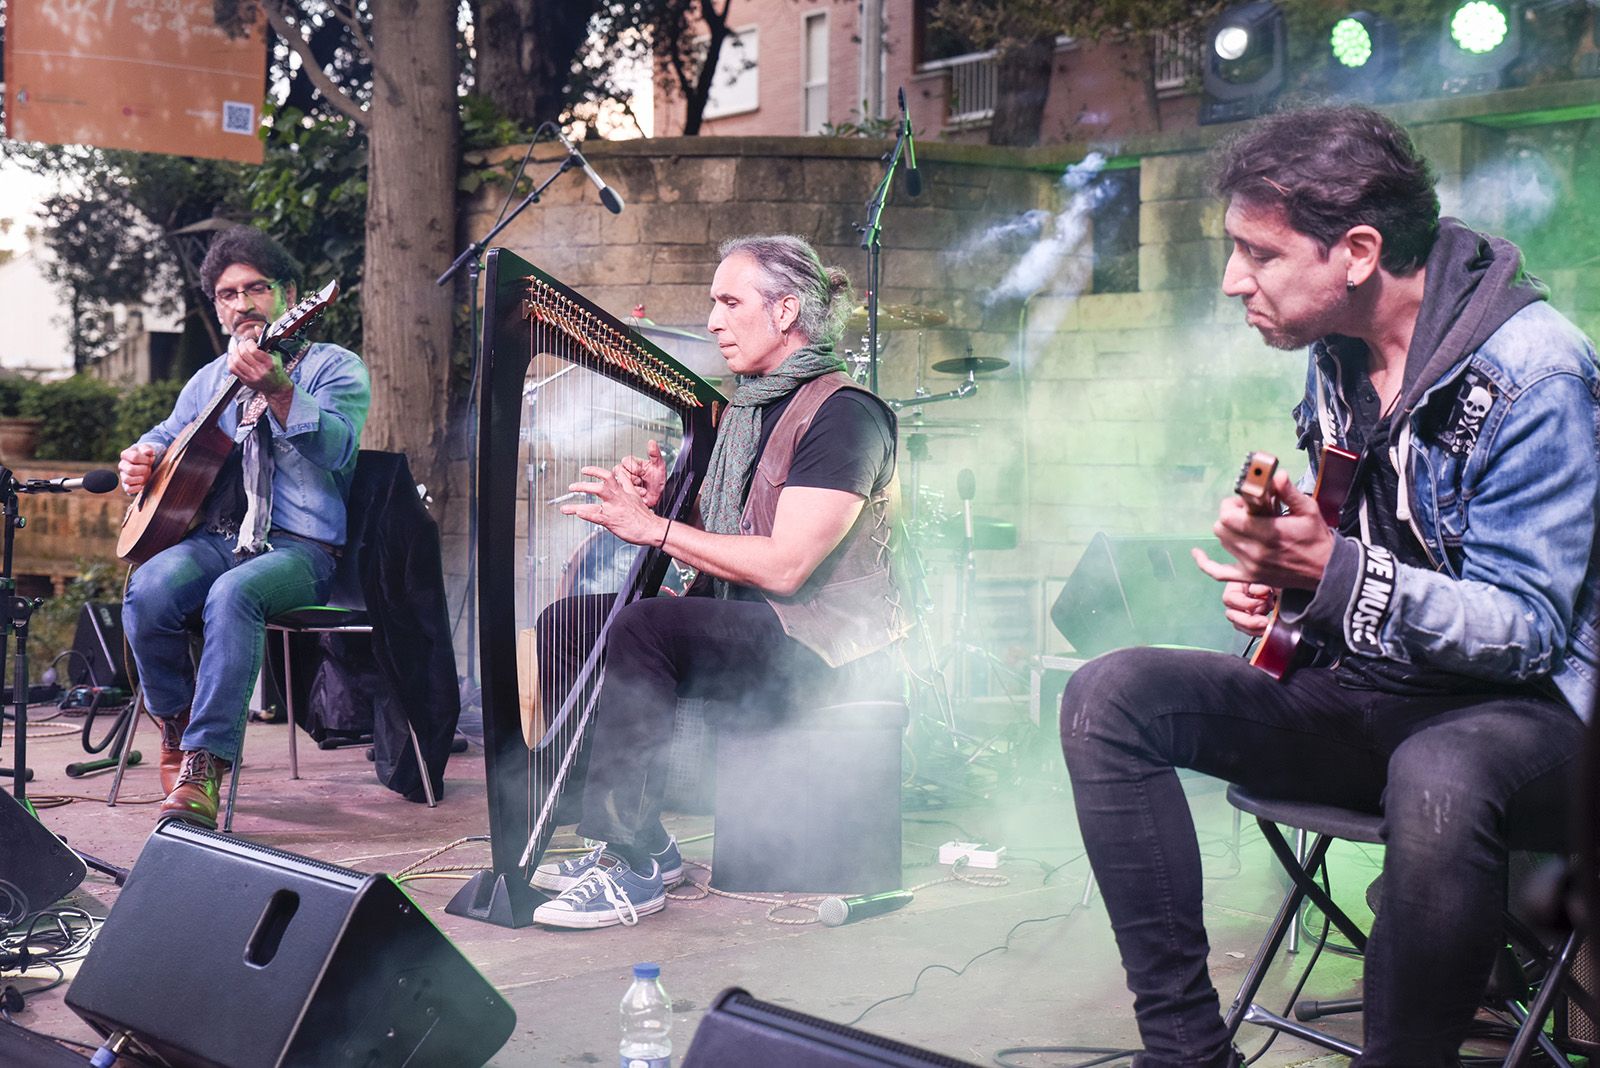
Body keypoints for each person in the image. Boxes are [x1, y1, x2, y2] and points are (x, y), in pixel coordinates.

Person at [1060, 104, 1598, 1067]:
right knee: (1108, 694)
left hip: (1532, 727)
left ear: (1356, 250)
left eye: (1258, 254)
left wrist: (1332, 572)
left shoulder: (1535, 371)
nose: (1233, 282)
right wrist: (1290, 595)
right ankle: (1186, 1053)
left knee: (1442, 773)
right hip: (1380, 700)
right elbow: (1367, 546)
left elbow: (1528, 630)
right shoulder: (1337, 356)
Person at [527, 233, 905, 930]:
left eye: (729, 302)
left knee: (645, 625)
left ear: (787, 310)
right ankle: (641, 842)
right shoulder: (745, 410)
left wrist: (656, 531)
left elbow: (787, 563)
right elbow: (742, 522)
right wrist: (669, 498)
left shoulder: (844, 415)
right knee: (568, 623)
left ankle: (630, 867)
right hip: (748, 620)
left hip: (824, 643)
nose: (712, 321)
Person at [119, 225, 370, 829]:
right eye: (228, 294)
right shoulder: (208, 377)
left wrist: (279, 391)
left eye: (255, 288)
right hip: (220, 539)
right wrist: (140, 456)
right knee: (148, 588)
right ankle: (176, 729)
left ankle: (205, 763)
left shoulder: (336, 368)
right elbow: (167, 434)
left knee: (235, 594)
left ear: (288, 293)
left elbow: (338, 450)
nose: (241, 303)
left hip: (301, 550)